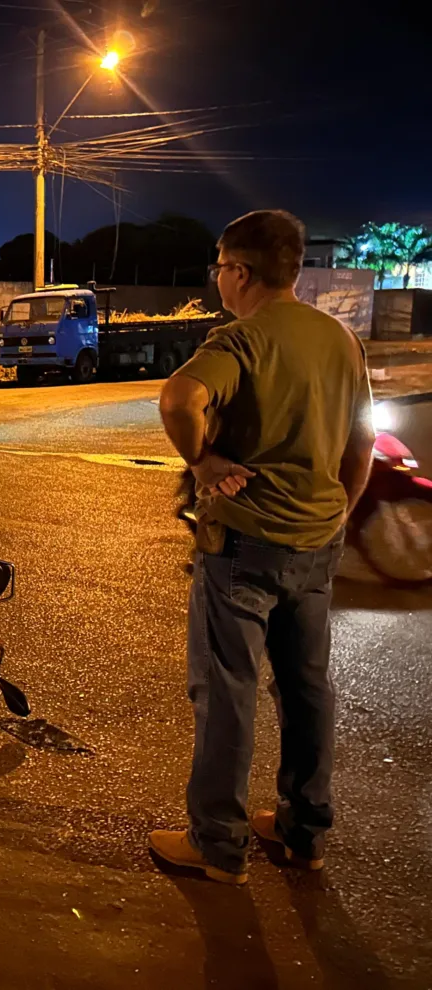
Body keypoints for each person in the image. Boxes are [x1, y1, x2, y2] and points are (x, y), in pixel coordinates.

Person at [149, 210, 373, 885]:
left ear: (240, 271)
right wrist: (338, 515)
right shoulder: (340, 339)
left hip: (246, 544)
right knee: (307, 689)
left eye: (219, 265)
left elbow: (178, 399)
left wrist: (205, 459)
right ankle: (305, 831)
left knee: (227, 690)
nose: (218, 277)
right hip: (318, 543)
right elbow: (360, 445)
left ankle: (218, 843)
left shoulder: (240, 339)